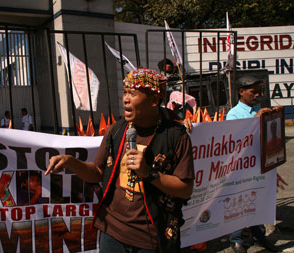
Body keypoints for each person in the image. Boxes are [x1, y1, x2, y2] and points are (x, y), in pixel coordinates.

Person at [46, 68, 194, 252]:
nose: (125, 99)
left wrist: (149, 173)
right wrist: (70, 162)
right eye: (125, 92)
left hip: (153, 238)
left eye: (132, 93)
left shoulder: (176, 136)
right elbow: (97, 173)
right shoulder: (116, 130)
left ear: (154, 100)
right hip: (113, 233)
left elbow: (185, 189)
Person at [226, 75, 280, 253]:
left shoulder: (259, 109)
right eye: (253, 92)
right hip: (240, 167)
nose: (257, 95)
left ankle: (260, 236)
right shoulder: (233, 114)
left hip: (257, 164)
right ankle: (237, 240)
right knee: (238, 202)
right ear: (241, 92)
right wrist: (256, 119)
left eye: (259, 92)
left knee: (257, 201)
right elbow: (235, 140)